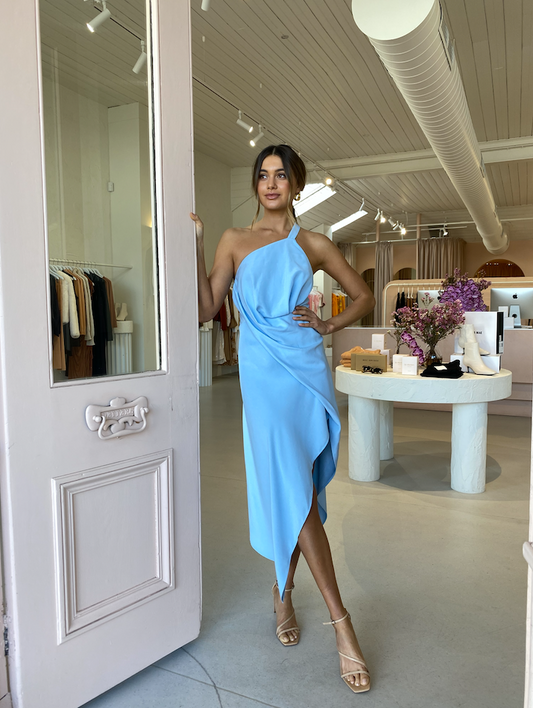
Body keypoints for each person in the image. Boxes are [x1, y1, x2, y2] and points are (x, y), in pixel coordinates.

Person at [191, 144, 375, 694]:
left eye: (281, 175)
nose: (271, 183)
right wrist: (197, 245)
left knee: (301, 490)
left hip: (304, 372)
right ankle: (342, 624)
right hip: (263, 379)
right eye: (263, 175)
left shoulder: (313, 243)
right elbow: (205, 309)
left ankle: (284, 591)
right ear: (257, 184)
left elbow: (362, 295)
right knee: (296, 492)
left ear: (296, 184)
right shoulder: (233, 240)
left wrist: (328, 327)